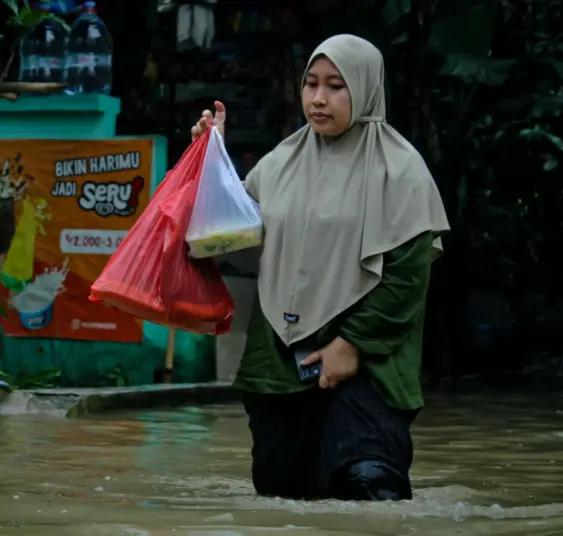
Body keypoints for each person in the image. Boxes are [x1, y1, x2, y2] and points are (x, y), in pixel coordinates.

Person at [190, 34, 450, 501]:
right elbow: (224, 235)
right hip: (280, 357)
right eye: (311, 84)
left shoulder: (400, 170)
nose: (318, 98)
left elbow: (408, 276)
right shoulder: (280, 163)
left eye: (336, 85)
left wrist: (350, 345)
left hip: (368, 360)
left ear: (366, 88)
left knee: (368, 483)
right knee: (282, 494)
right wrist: (212, 162)